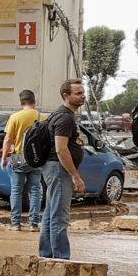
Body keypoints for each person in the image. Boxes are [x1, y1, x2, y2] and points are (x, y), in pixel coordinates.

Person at [39, 79, 88, 260]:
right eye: (78, 93)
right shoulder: (65, 117)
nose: (83, 96)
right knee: (59, 217)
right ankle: (61, 258)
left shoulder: (60, 114)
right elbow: (61, 149)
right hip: (59, 170)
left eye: (83, 93)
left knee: (51, 215)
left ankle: (46, 256)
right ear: (66, 96)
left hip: (54, 169)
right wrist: (75, 176)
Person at [1, 88, 45, 231]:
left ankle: (16, 223)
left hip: (18, 159)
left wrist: (4, 158)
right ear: (34, 102)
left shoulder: (15, 117)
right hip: (37, 160)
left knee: (16, 191)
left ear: (21, 103)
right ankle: (34, 224)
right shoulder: (43, 117)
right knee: (35, 191)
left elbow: (8, 139)